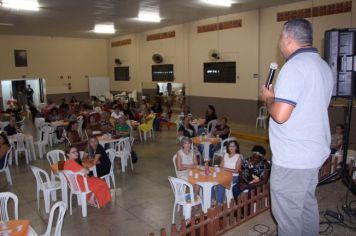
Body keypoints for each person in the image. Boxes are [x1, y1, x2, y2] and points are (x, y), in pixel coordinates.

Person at [261, 19, 333, 236]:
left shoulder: (293, 67)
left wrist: (269, 99)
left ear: (288, 38)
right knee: (306, 207)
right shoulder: (322, 66)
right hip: (313, 154)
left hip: (293, 159)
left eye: (280, 38)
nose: (280, 44)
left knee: (288, 218)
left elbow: (281, 115)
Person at [215, 140, 241, 204]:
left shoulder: (238, 157)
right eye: (230, 146)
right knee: (212, 180)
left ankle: (219, 203)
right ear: (228, 147)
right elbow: (221, 165)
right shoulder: (226, 155)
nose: (231, 148)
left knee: (221, 183)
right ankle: (213, 199)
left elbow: (236, 170)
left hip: (234, 176)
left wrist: (225, 169)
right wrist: (220, 168)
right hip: (224, 174)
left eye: (233, 146)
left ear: (236, 147)